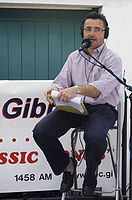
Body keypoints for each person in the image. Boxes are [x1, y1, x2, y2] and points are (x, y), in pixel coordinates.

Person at [33, 12, 122, 196]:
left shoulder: (113, 60)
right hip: (76, 107)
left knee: (95, 137)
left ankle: (91, 175)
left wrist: (77, 89)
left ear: (105, 33)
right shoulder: (74, 57)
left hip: (102, 109)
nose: (92, 33)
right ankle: (68, 166)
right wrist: (55, 90)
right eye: (88, 29)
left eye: (97, 29)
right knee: (41, 132)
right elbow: (61, 81)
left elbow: (100, 89)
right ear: (82, 32)